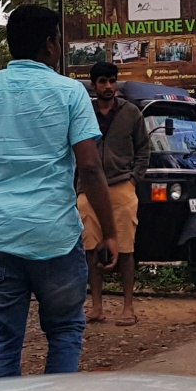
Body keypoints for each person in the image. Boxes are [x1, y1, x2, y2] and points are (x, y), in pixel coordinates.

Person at [0, 5, 116, 377]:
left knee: (3, 343)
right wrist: (110, 232)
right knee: (65, 331)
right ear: (51, 45)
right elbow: (89, 166)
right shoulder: (70, 94)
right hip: (56, 239)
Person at [78, 61, 150, 327]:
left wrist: (133, 179)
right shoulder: (84, 112)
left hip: (122, 187)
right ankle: (96, 306)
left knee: (126, 249)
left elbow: (144, 149)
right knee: (91, 248)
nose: (108, 87)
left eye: (112, 81)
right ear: (93, 85)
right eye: (102, 82)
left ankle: (128, 307)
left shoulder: (131, 113)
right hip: (88, 190)